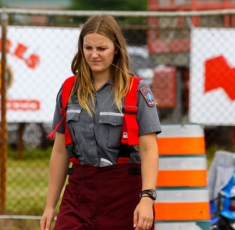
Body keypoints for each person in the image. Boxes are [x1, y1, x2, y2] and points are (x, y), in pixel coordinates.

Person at [40, 14, 162, 230]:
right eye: (88, 48)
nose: (94, 54)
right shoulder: (69, 90)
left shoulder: (137, 90)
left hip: (124, 194)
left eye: (101, 48)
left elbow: (148, 148)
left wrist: (147, 197)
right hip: (79, 191)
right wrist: (50, 206)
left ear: (116, 48)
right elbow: (60, 151)